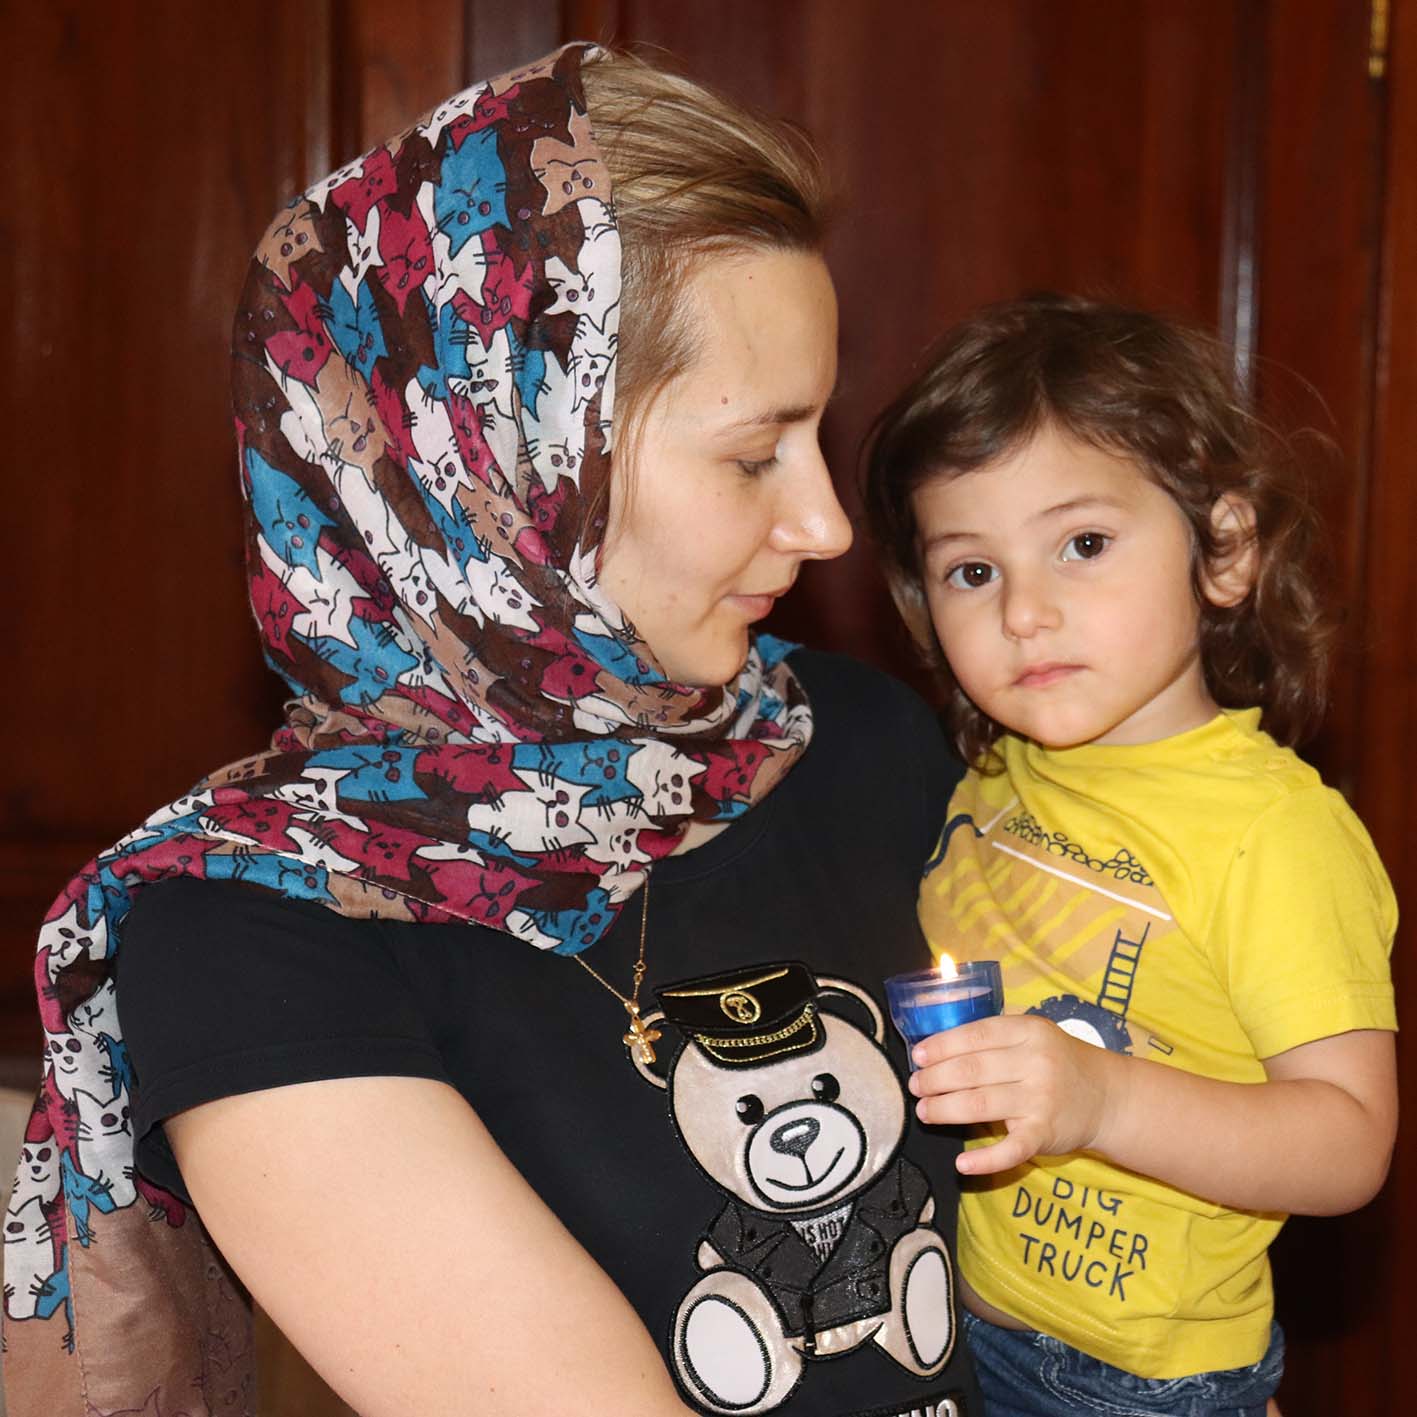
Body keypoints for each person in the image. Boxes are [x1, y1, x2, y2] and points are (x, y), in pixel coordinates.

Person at [3, 43, 985, 1417]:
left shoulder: (858, 736)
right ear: (502, 464)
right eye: (752, 452)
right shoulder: (251, 936)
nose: (824, 525)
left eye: (818, 436)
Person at [861, 293, 1398, 1417]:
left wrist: (1101, 1100)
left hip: (1135, 1382)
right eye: (972, 570)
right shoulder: (996, 772)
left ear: (1224, 549)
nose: (1024, 612)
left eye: (1083, 545)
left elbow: (1347, 1143)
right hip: (949, 1317)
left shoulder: (1269, 834)